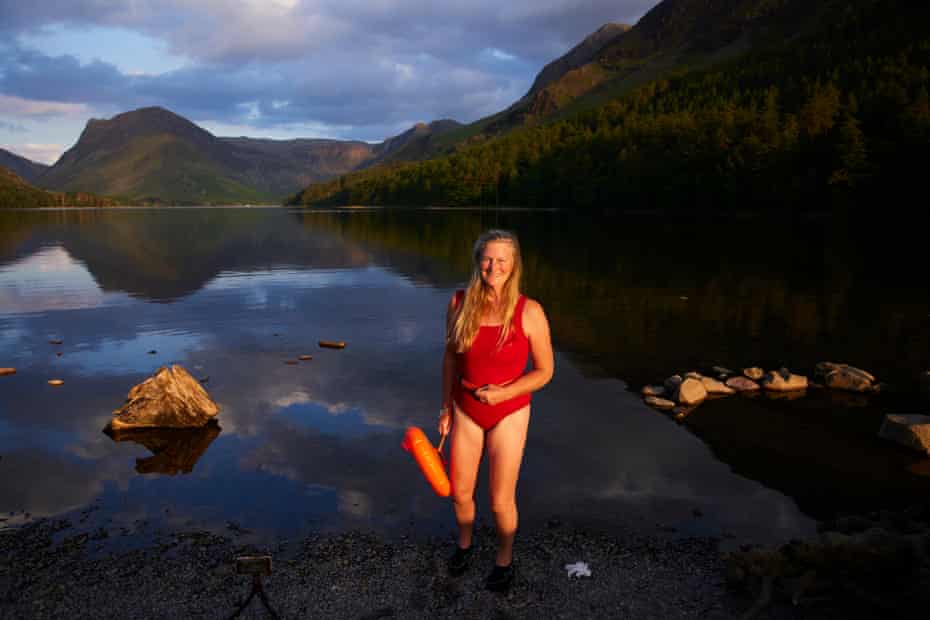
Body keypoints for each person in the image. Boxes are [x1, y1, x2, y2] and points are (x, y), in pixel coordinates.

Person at [437, 229, 554, 592]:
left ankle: (504, 560)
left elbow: (545, 370)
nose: (494, 266)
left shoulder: (529, 310)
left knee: (501, 499)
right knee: (460, 492)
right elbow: (451, 359)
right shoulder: (458, 303)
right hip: (466, 407)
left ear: (514, 264)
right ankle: (465, 544)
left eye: (502, 259)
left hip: (510, 410)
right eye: (488, 258)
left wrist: (506, 393)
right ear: (478, 262)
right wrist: (445, 407)